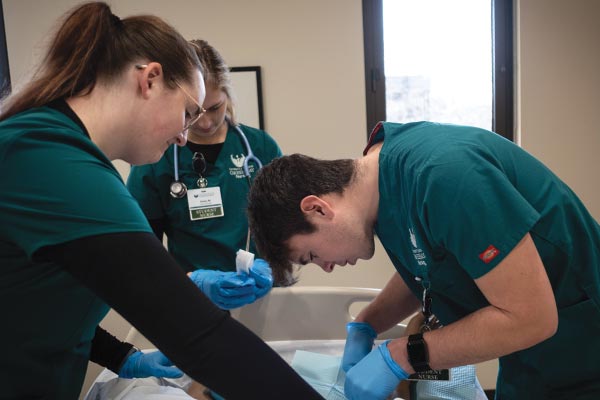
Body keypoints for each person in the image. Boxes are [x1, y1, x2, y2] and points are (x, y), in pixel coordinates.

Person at [0, 3, 322, 399]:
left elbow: (41, 307)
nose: (188, 135)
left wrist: (121, 357)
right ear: (150, 80)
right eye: (189, 112)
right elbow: (198, 335)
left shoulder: (59, 150)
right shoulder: (47, 159)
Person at [246, 121, 600, 399]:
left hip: (583, 353)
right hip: (530, 362)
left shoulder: (445, 178)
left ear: (318, 208)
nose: (325, 266)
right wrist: (367, 324)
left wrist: (402, 355)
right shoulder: (382, 191)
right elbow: (432, 263)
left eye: (311, 255)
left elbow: (531, 318)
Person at [127, 39, 279, 310]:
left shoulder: (260, 147)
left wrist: (272, 265)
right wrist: (187, 282)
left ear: (228, 96)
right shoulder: (154, 157)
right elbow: (141, 247)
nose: (205, 122)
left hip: (260, 298)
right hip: (189, 298)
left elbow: (286, 224)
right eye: (194, 111)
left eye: (215, 108)